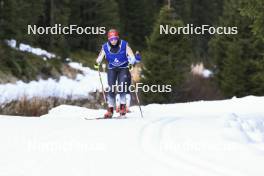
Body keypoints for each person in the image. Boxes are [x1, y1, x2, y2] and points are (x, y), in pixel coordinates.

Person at [95, 29, 137, 118]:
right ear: (108, 39)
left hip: (123, 68)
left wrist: (131, 64)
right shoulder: (105, 47)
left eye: (115, 38)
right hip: (112, 69)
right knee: (111, 88)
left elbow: (132, 57)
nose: (113, 41)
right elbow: (99, 58)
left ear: (117, 38)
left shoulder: (124, 45)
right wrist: (97, 63)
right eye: (111, 39)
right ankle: (110, 109)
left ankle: (122, 107)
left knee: (122, 86)